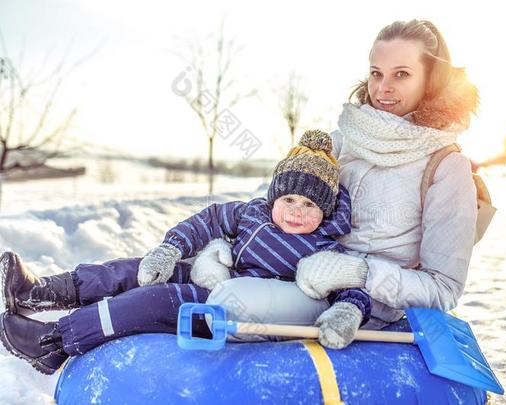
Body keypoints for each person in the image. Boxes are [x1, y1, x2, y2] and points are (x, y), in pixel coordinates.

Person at [203, 18, 480, 349]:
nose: (383, 88)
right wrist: (226, 243)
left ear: (432, 82)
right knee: (188, 263)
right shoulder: (341, 142)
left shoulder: (447, 168)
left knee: (229, 303)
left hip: (360, 304)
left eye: (401, 74)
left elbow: (443, 288)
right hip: (285, 268)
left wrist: (358, 273)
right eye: (376, 73)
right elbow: (279, 203)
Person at [0, 130, 371, 374]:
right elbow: (207, 221)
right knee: (128, 270)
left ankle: (54, 343)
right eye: (288, 198)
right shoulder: (251, 213)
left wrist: (347, 311)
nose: (295, 211)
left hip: (225, 305)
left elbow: (351, 286)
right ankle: (39, 292)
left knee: (151, 300)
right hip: (209, 273)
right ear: (274, 194)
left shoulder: (324, 245)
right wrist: (171, 248)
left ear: (325, 209)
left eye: (309, 204)